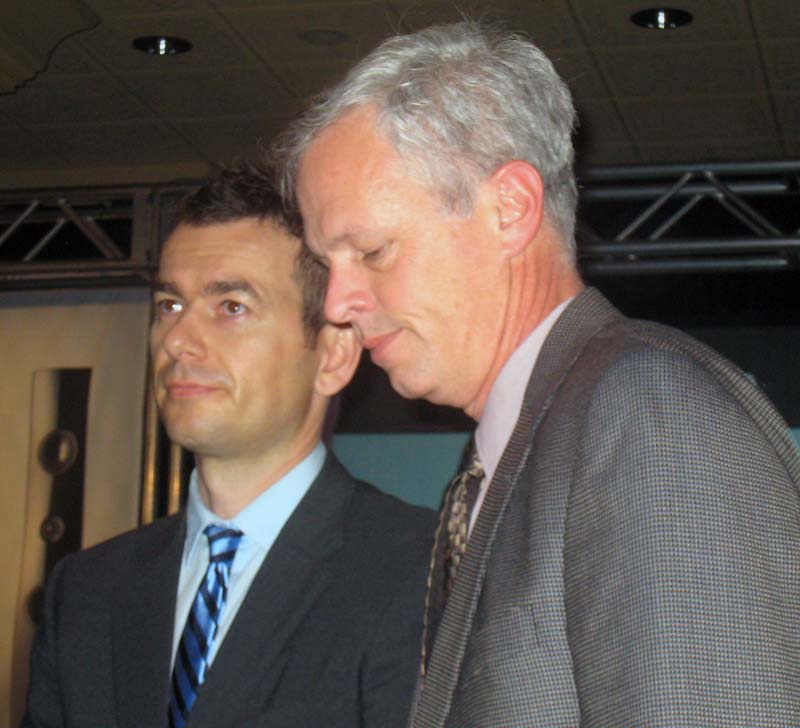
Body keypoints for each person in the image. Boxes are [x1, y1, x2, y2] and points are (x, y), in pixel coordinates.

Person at [277, 20, 800, 728]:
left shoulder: (648, 415)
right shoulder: (520, 452)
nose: (337, 303)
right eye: (326, 264)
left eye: (370, 250)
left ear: (511, 209)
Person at [23, 161, 436, 728]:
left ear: (333, 356)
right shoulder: (86, 592)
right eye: (169, 306)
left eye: (231, 307)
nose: (178, 339)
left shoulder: (418, 572)